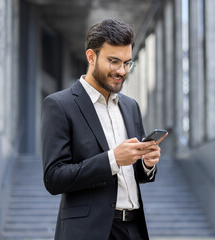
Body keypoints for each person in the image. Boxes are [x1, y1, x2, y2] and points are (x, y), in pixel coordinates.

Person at [41, 19, 167, 240]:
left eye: (128, 63)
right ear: (91, 57)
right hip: (89, 231)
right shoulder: (60, 105)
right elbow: (54, 177)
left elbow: (135, 173)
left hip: (135, 228)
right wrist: (113, 159)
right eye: (113, 61)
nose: (121, 71)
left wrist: (146, 164)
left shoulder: (131, 106)